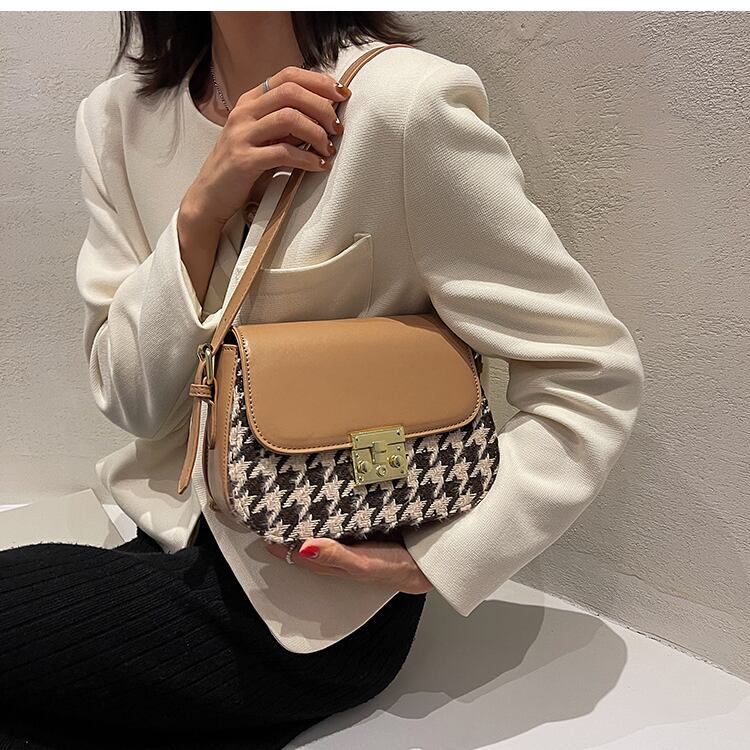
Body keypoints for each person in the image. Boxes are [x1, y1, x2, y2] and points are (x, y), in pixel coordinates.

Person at [0, 10, 645, 750]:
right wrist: (200, 213)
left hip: (325, 600)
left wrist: (444, 557)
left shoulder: (401, 109)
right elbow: (131, 402)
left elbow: (589, 372)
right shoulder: (117, 121)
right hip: (165, 543)